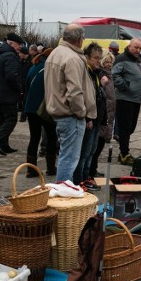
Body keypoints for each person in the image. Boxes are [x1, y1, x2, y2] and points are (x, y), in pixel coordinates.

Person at [44, 24, 95, 182]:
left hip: (59, 112)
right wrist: (81, 113)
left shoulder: (56, 53)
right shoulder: (72, 58)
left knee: (66, 156)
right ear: (80, 39)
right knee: (69, 159)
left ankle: (63, 190)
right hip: (70, 115)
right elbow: (75, 92)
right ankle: (63, 193)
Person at [73, 42, 105, 190]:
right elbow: (82, 96)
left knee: (91, 151)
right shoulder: (84, 73)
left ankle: (86, 178)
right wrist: (87, 118)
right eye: (95, 58)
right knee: (84, 153)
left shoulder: (96, 73)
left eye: (100, 58)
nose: (98, 61)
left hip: (96, 118)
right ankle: (79, 181)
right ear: (87, 57)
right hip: (89, 119)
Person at [0, 33, 24, 155]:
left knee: (4, 121)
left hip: (0, 94)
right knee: (11, 120)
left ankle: (4, 144)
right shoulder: (10, 56)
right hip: (8, 95)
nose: (20, 47)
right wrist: (19, 89)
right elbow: (11, 76)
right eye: (18, 44)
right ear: (11, 43)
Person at [24, 48, 57, 177]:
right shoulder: (50, 69)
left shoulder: (34, 67)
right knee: (51, 138)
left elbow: (26, 86)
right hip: (44, 108)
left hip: (30, 108)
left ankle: (31, 170)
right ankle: (50, 168)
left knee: (34, 138)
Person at [113, 38, 141, 165]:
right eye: (136, 47)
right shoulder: (122, 58)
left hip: (136, 99)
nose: (138, 50)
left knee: (130, 127)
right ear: (129, 46)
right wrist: (125, 86)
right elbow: (114, 75)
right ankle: (124, 153)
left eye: (140, 48)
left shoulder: (137, 59)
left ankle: (123, 151)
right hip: (125, 98)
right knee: (125, 127)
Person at [89, 51, 116, 178]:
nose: (109, 64)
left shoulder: (109, 75)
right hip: (102, 114)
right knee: (96, 145)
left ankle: (93, 168)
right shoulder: (101, 75)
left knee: (99, 145)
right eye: (106, 61)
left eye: (110, 62)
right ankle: (91, 170)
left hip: (107, 113)